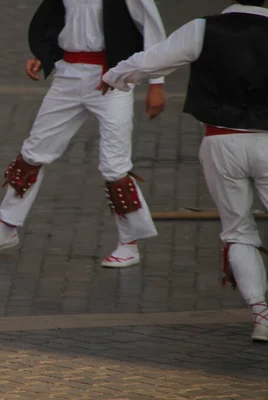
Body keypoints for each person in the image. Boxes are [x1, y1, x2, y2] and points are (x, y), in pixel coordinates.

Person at [101, 0, 268, 341]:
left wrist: (114, 76)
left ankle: (262, 315)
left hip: (221, 142)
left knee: (238, 232)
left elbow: (153, 59)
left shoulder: (203, 28)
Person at [0, 0, 168, 268]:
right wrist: (45, 54)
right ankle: (6, 229)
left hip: (112, 78)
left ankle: (129, 244)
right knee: (32, 154)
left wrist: (157, 83)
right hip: (68, 76)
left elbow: (152, 29)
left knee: (115, 167)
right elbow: (55, 19)